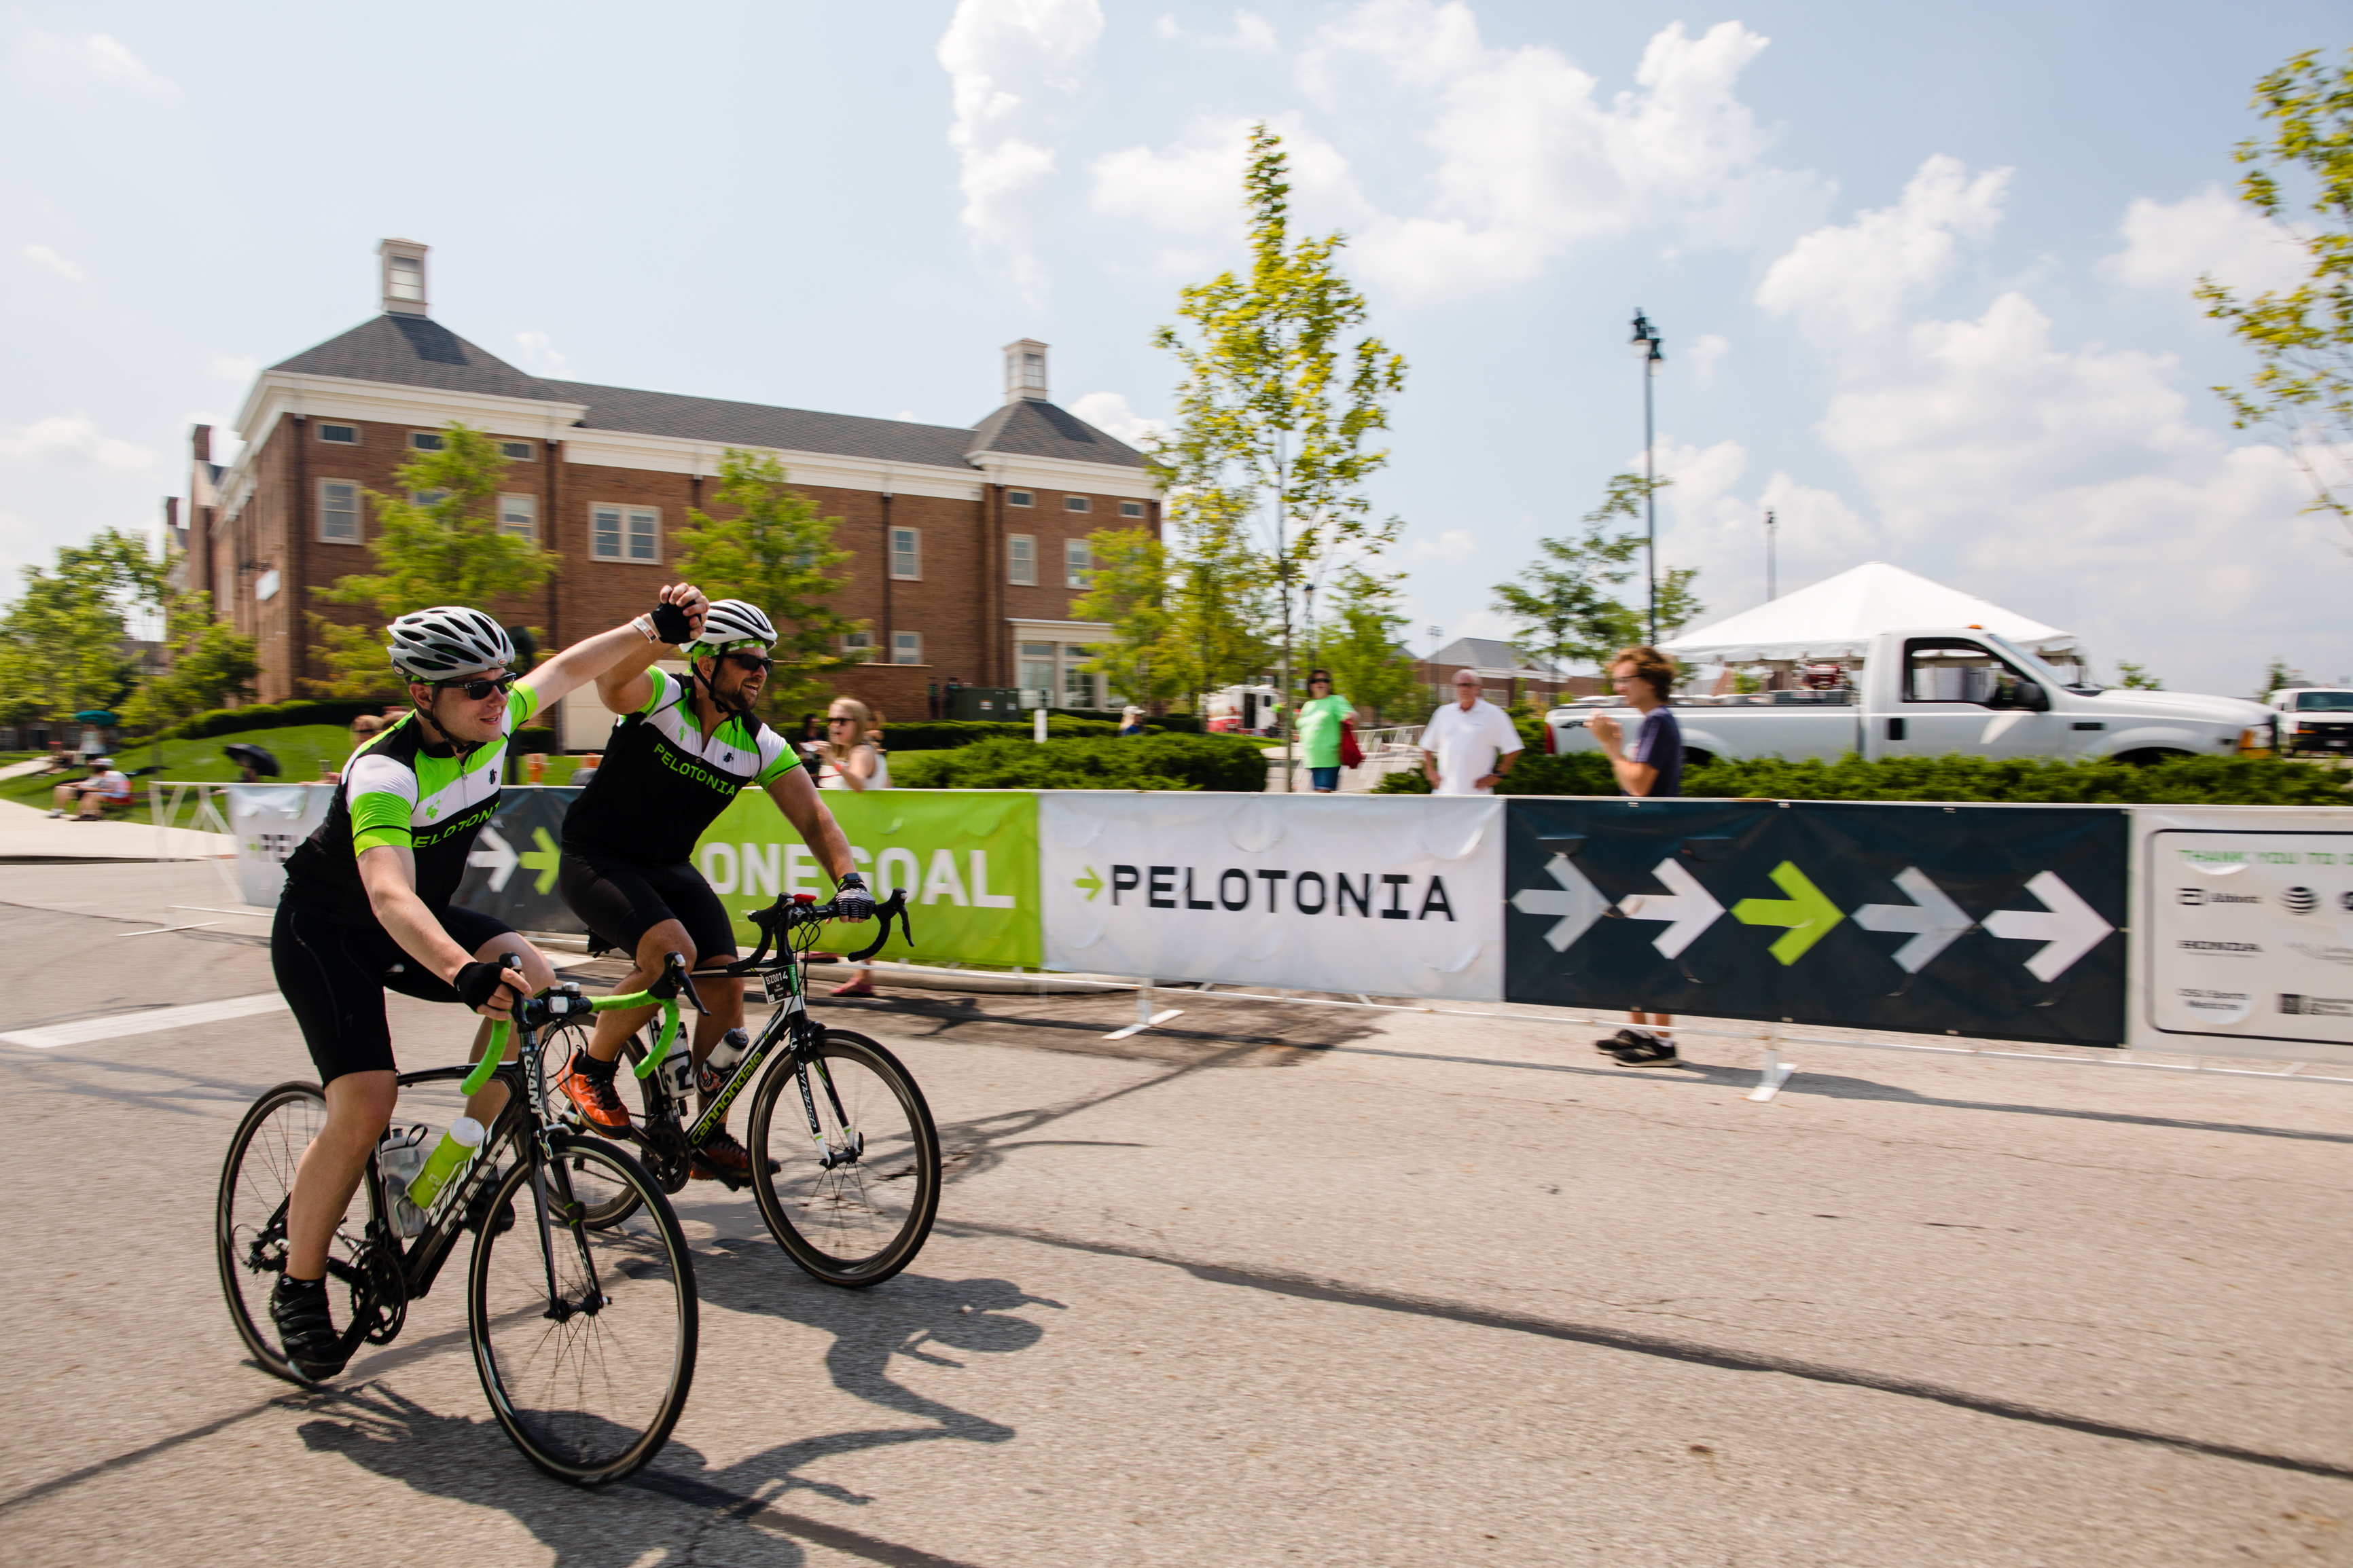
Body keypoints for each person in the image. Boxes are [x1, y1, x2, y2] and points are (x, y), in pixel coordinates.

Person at [266, 598, 689, 1381]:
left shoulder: (492, 723)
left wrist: (646, 631)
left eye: (499, 679)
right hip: (329, 931)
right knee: (365, 1102)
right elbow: (390, 895)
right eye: (474, 686)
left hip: (416, 917)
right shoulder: (385, 771)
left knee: (536, 978)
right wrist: (459, 970)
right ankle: (298, 1284)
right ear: (423, 694)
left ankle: (441, 1174)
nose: (497, 696)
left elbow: (565, 669)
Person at [554, 599, 874, 1176]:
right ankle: (590, 1068)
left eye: (766, 664)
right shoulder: (660, 697)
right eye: (748, 659)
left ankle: (708, 1135)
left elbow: (813, 817)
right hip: (595, 859)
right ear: (704, 663)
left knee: (726, 984)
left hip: (667, 866)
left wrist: (849, 879)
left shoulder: (758, 743)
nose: (760, 672)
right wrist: (666, 633)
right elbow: (612, 681)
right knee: (671, 952)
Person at [1587, 644, 1685, 1067]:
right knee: (1633, 941)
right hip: (1646, 846)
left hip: (1653, 849)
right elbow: (1635, 783)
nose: (1619, 687)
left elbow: (1640, 786)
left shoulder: (1659, 722)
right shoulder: (1654, 723)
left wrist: (1610, 747)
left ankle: (1661, 1042)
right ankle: (1641, 1029)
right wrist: (1618, 748)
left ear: (1649, 681)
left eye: (1625, 680)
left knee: (1647, 945)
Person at [1420, 671, 1522, 795]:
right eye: (1460, 685)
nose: (1464, 689)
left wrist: (1498, 775)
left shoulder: (1494, 714)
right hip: (1444, 794)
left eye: (1469, 685)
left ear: (1478, 687)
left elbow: (1513, 748)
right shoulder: (1443, 713)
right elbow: (1426, 746)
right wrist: (1430, 771)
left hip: (1477, 797)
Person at [814, 697, 890, 792]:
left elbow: (859, 785)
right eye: (830, 720)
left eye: (842, 720)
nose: (834, 725)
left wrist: (830, 758)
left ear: (858, 724)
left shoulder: (862, 751)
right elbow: (888, 783)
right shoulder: (849, 750)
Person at [1295, 670, 1353, 793]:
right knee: (1322, 801)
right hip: (1311, 759)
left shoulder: (1336, 701)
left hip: (1329, 758)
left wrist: (1351, 716)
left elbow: (1350, 716)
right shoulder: (1308, 705)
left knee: (1323, 800)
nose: (1320, 683)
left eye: (1324, 680)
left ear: (1329, 684)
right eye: (1315, 680)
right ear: (1310, 685)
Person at [49, 755, 131, 820]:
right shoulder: (100, 775)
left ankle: (85, 814)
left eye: (97, 765)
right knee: (62, 789)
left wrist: (91, 789)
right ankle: (59, 810)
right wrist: (70, 784)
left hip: (94, 792)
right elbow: (88, 782)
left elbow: (110, 790)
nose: (94, 767)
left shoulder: (109, 775)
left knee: (89, 795)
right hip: (89, 790)